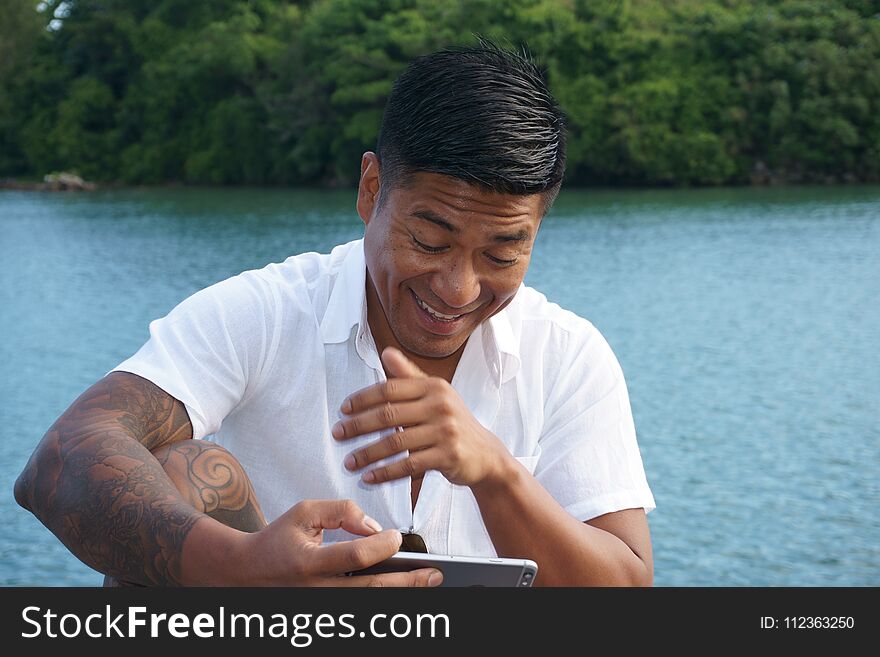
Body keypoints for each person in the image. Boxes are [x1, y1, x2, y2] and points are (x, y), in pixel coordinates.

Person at [14, 42, 655, 587]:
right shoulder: (265, 311)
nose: (459, 289)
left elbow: (628, 589)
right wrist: (240, 565)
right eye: (429, 242)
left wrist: (495, 472)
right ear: (370, 190)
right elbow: (61, 459)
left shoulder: (569, 353)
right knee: (188, 475)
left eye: (501, 253)